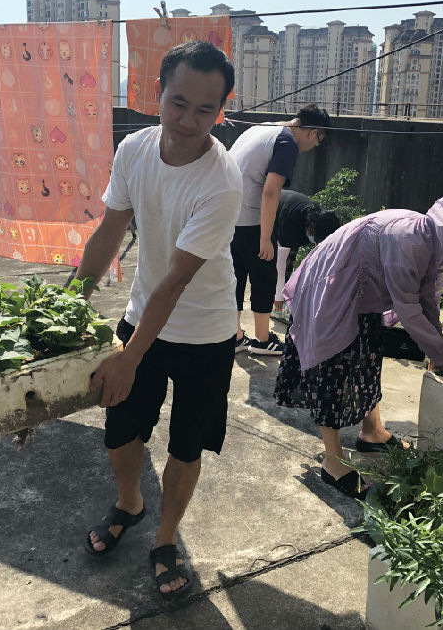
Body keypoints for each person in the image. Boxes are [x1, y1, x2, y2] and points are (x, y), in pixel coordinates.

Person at [76, 41, 241, 600]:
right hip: (140, 315)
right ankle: (130, 503)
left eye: (205, 109)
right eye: (178, 103)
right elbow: (109, 232)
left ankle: (165, 537)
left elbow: (175, 281)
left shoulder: (222, 181)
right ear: (157, 94)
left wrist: (130, 357)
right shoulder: (134, 149)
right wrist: (68, 308)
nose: (188, 120)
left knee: (186, 445)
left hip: (205, 332)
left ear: (221, 110)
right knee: (120, 429)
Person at [275, 191, 443, 498]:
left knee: (367, 358)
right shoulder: (408, 238)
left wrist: (438, 348)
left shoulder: (432, 244)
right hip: (332, 287)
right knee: (333, 367)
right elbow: (408, 307)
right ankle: (333, 459)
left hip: (361, 292)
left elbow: (428, 300)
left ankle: (373, 432)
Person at [228, 105, 331, 356]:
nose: (314, 146)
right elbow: (271, 191)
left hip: (227, 215)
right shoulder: (287, 143)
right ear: (313, 133)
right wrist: (265, 237)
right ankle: (263, 340)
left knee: (235, 277)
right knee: (264, 276)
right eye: (319, 141)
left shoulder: (264, 128)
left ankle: (235, 336)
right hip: (251, 219)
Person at [270, 189, 341, 322]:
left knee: (289, 263)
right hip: (269, 213)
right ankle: (274, 302)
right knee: (272, 263)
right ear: (310, 228)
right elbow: (280, 263)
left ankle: (282, 300)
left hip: (290, 219)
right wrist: (278, 295)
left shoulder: (322, 221)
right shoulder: (290, 226)